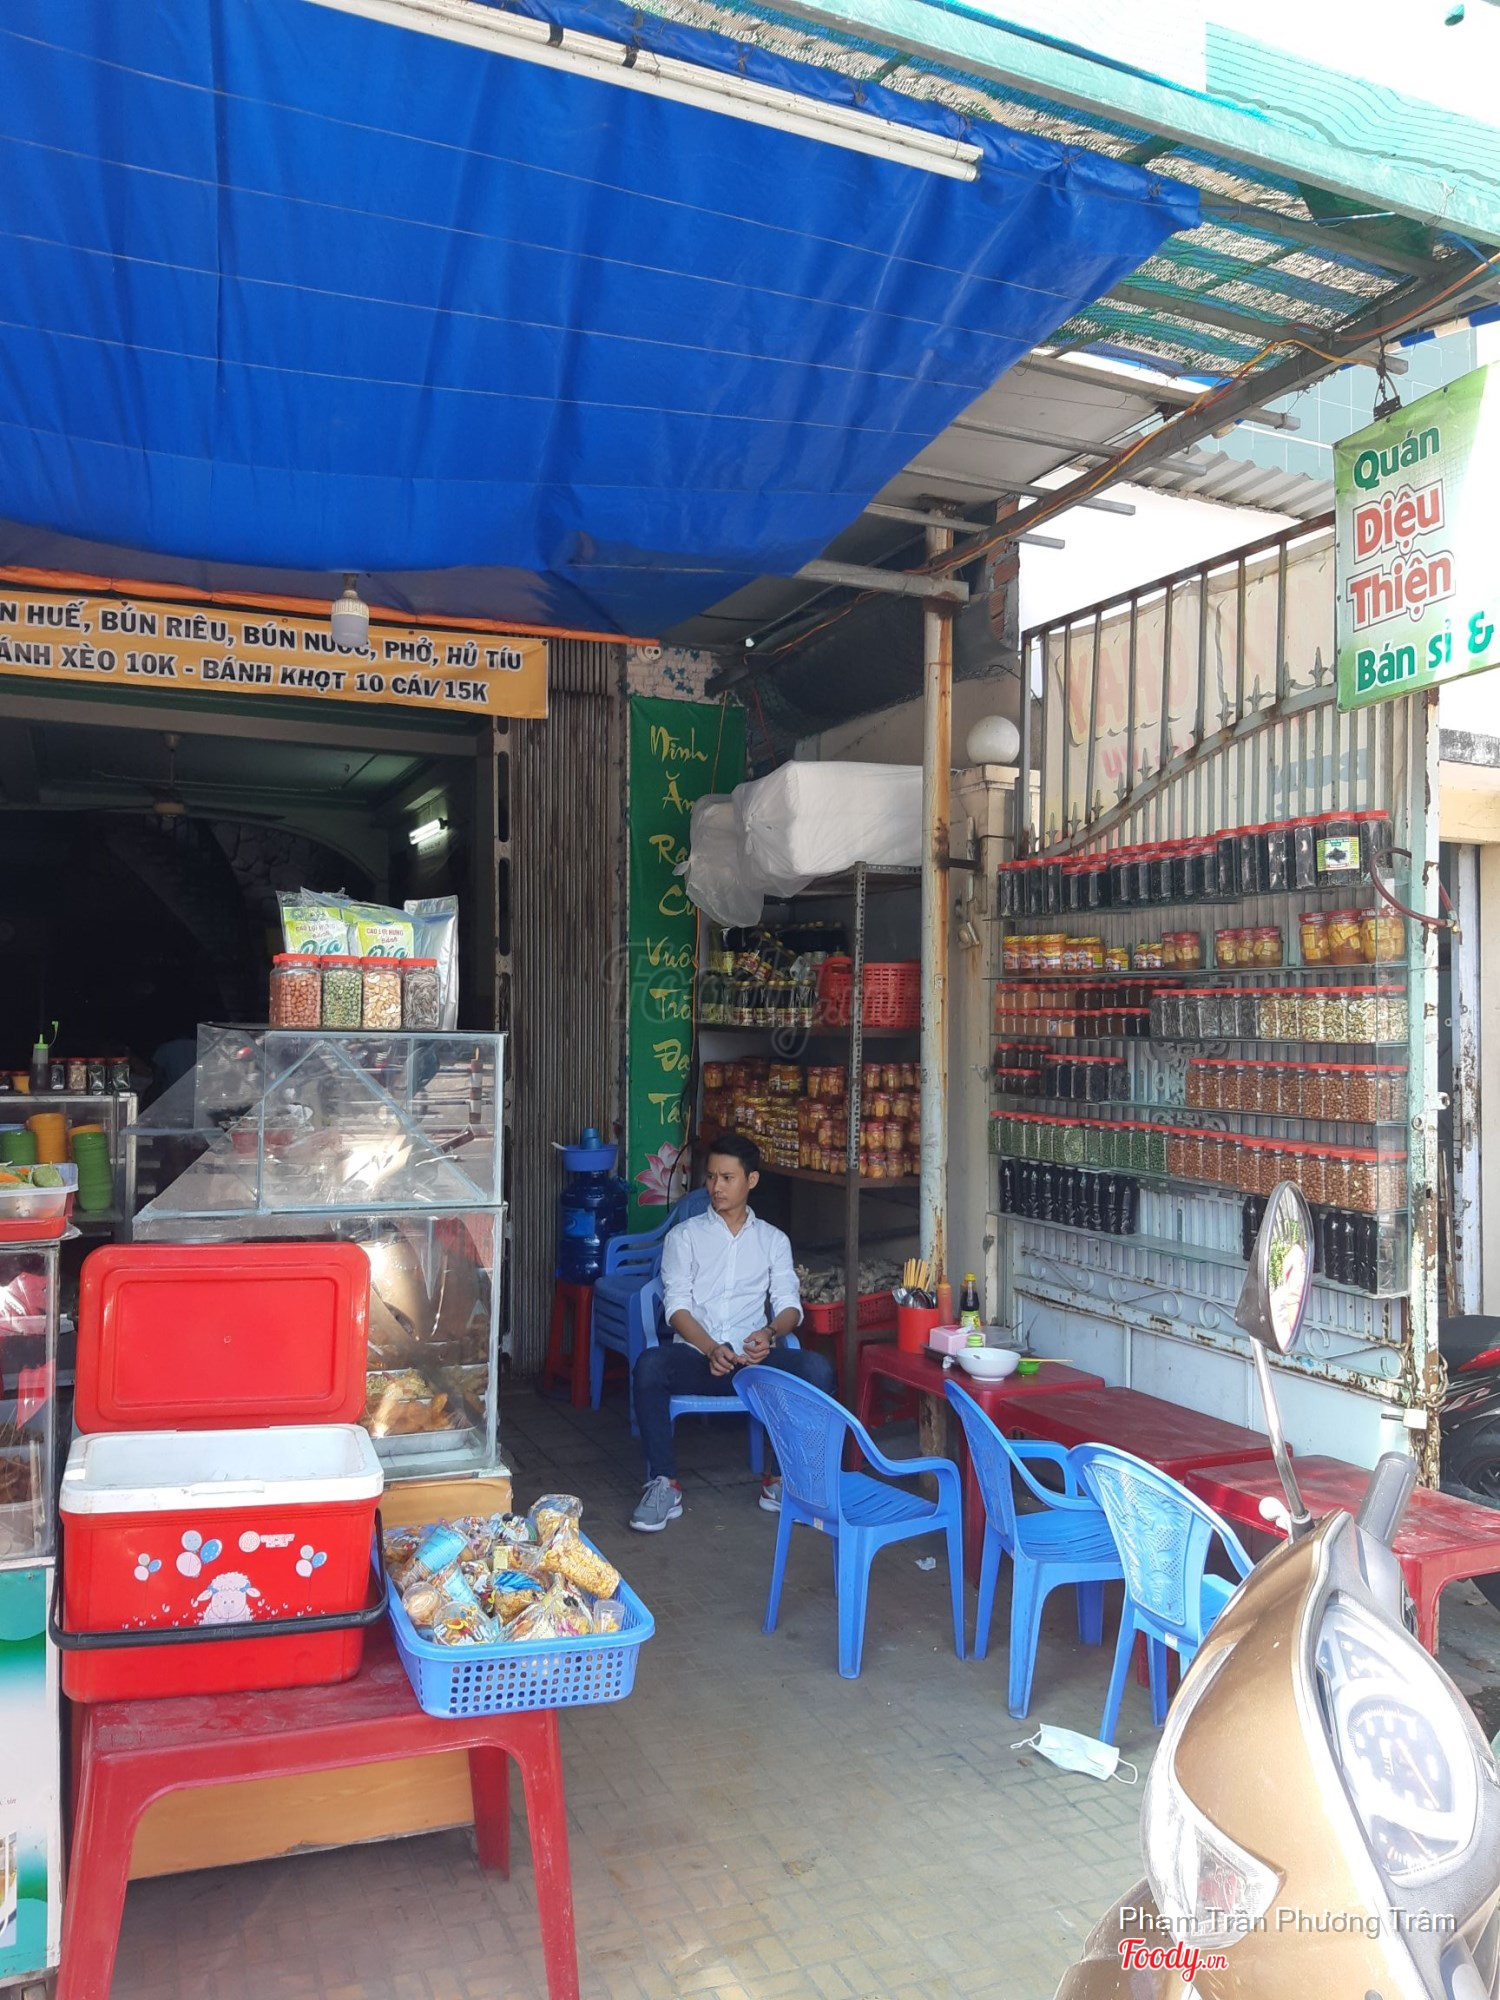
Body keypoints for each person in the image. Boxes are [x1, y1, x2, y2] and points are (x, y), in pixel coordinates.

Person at [629, 1133, 835, 1532]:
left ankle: (781, 1481)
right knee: (650, 1365)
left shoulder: (773, 1240)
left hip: (754, 1363)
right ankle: (664, 1483)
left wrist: (769, 1333)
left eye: (727, 1178)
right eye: (711, 1177)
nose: (716, 1187)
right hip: (697, 1359)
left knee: (817, 1370)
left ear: (751, 1180)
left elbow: (790, 1306)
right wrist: (709, 1348)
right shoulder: (684, 1237)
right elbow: (676, 1308)